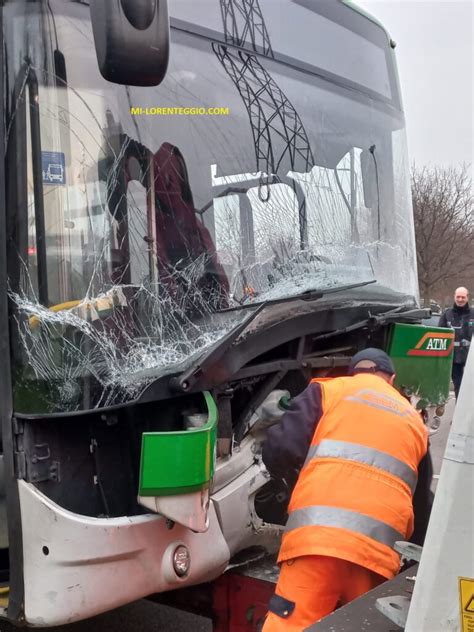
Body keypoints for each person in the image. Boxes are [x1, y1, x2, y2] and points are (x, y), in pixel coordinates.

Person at [261, 348, 432, 631]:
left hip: (317, 539)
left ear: (353, 372)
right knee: (362, 624)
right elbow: (422, 502)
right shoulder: (415, 422)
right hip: (377, 552)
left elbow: (281, 449)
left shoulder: (330, 390)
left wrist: (296, 490)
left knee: (290, 624)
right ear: (391, 378)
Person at [438, 287, 473, 399]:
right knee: (458, 386)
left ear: (467, 297)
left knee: (470, 387)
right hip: (453, 358)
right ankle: (460, 414)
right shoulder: (447, 314)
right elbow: (440, 334)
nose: (460, 299)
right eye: (458, 297)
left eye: (463, 297)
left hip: (470, 357)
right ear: (454, 297)